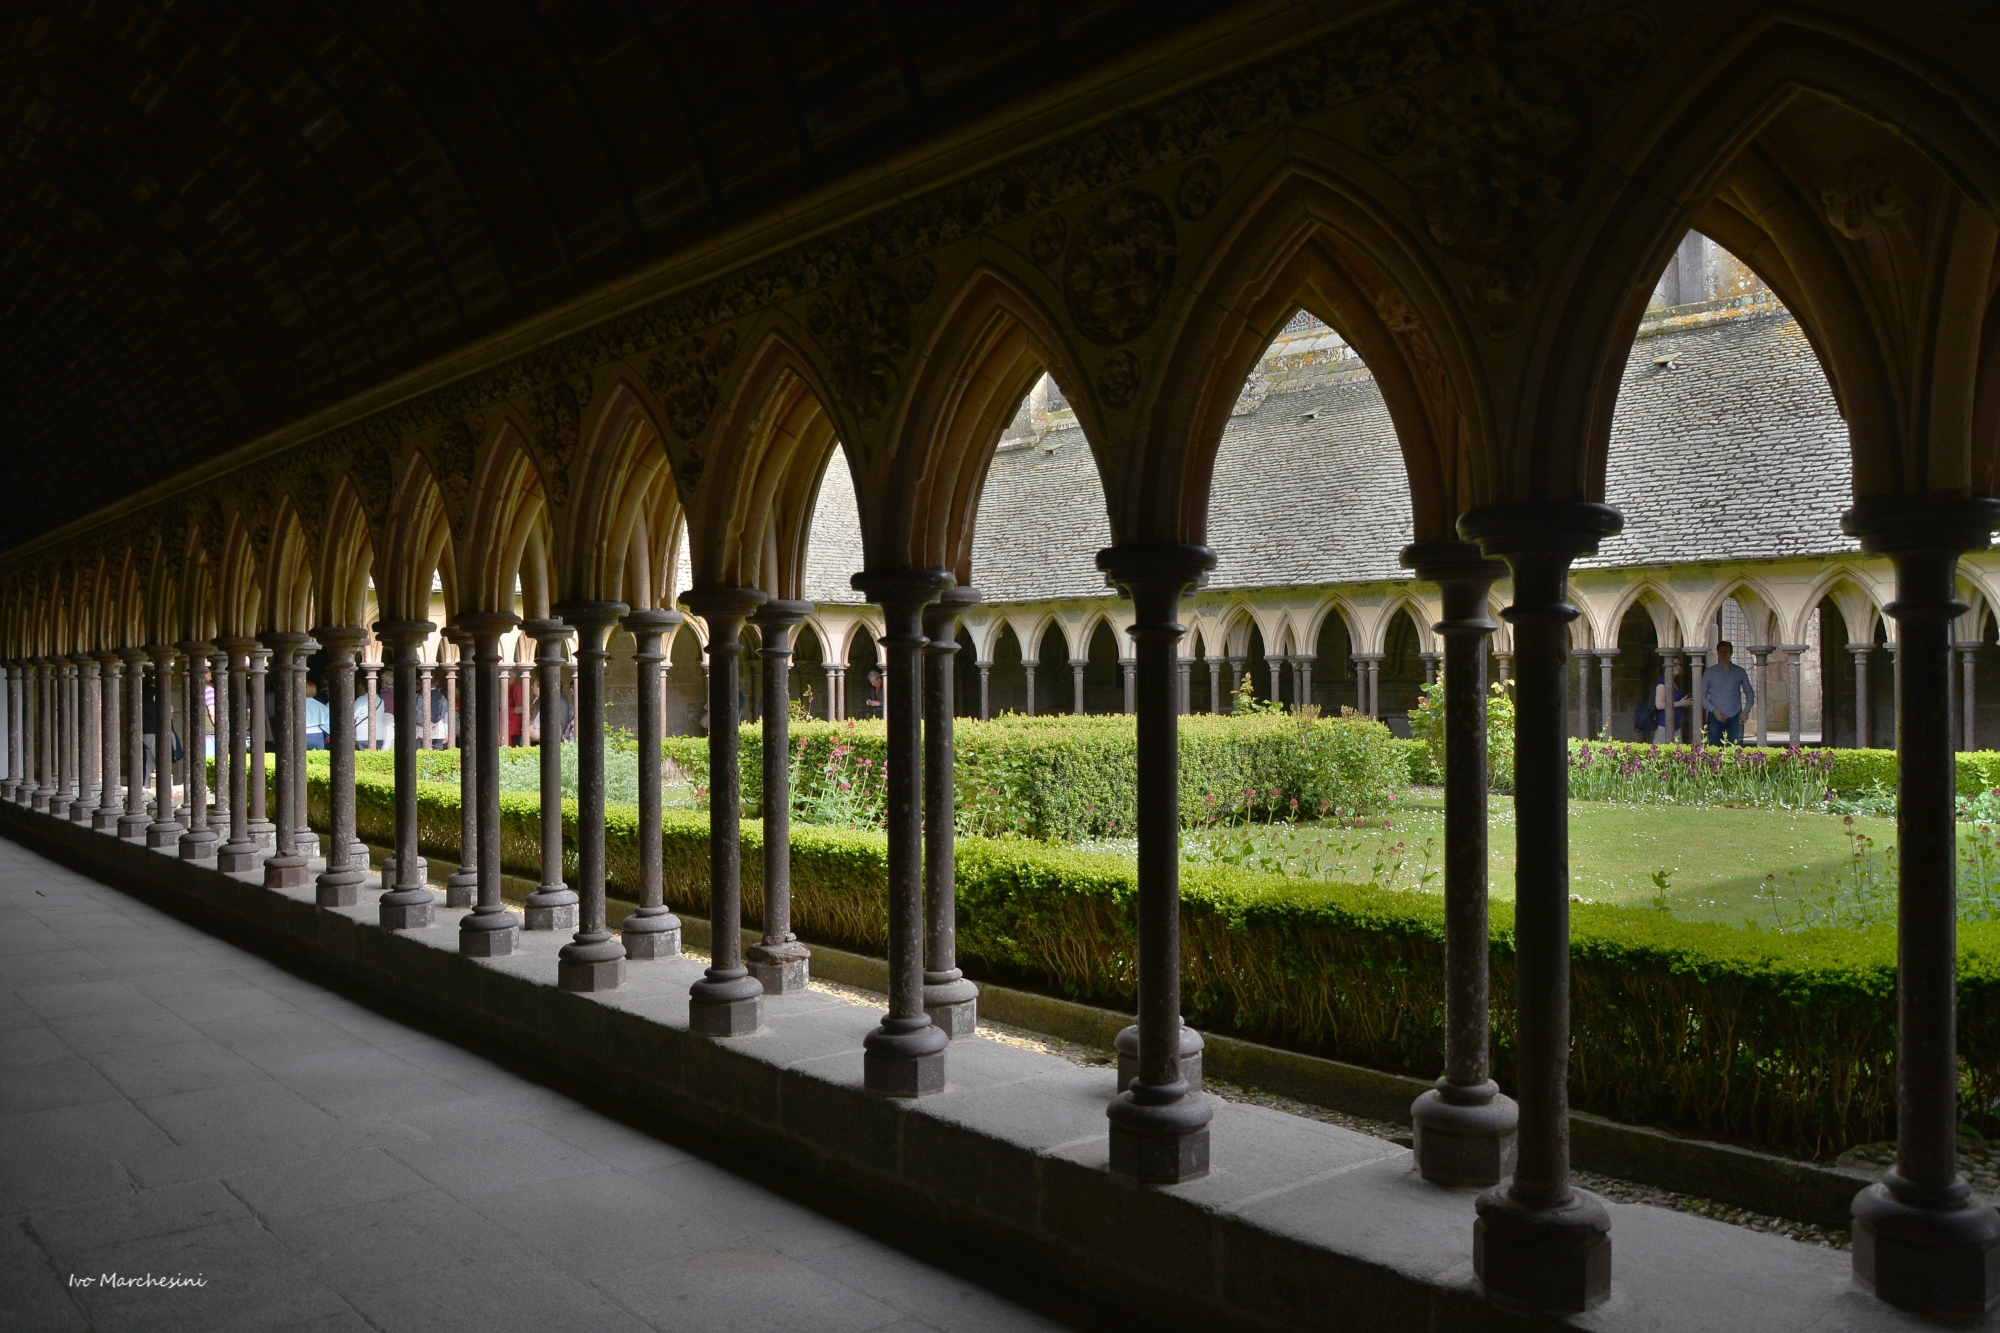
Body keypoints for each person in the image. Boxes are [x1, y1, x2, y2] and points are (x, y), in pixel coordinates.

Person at [1702, 639, 1755, 745]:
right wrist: (1714, 710)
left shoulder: (1739, 672)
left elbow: (1750, 692)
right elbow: (1701, 696)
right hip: (1715, 716)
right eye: (1721, 651)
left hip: (1735, 716)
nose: (1724, 654)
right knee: (1715, 749)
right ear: (1717, 653)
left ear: (1731, 653)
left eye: (1726, 651)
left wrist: (1746, 711)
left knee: (1736, 748)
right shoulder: (1709, 672)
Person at [1653, 668, 1690, 744]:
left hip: (1676, 725)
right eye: (1675, 664)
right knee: (1659, 751)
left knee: (1678, 753)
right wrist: (1680, 703)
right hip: (1665, 725)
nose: (1678, 667)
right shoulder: (1662, 683)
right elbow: (1659, 705)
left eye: (1680, 665)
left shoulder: (1676, 683)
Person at [304, 678, 330, 750]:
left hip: (301, 734)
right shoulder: (320, 705)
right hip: (317, 735)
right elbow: (327, 723)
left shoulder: (295, 706)